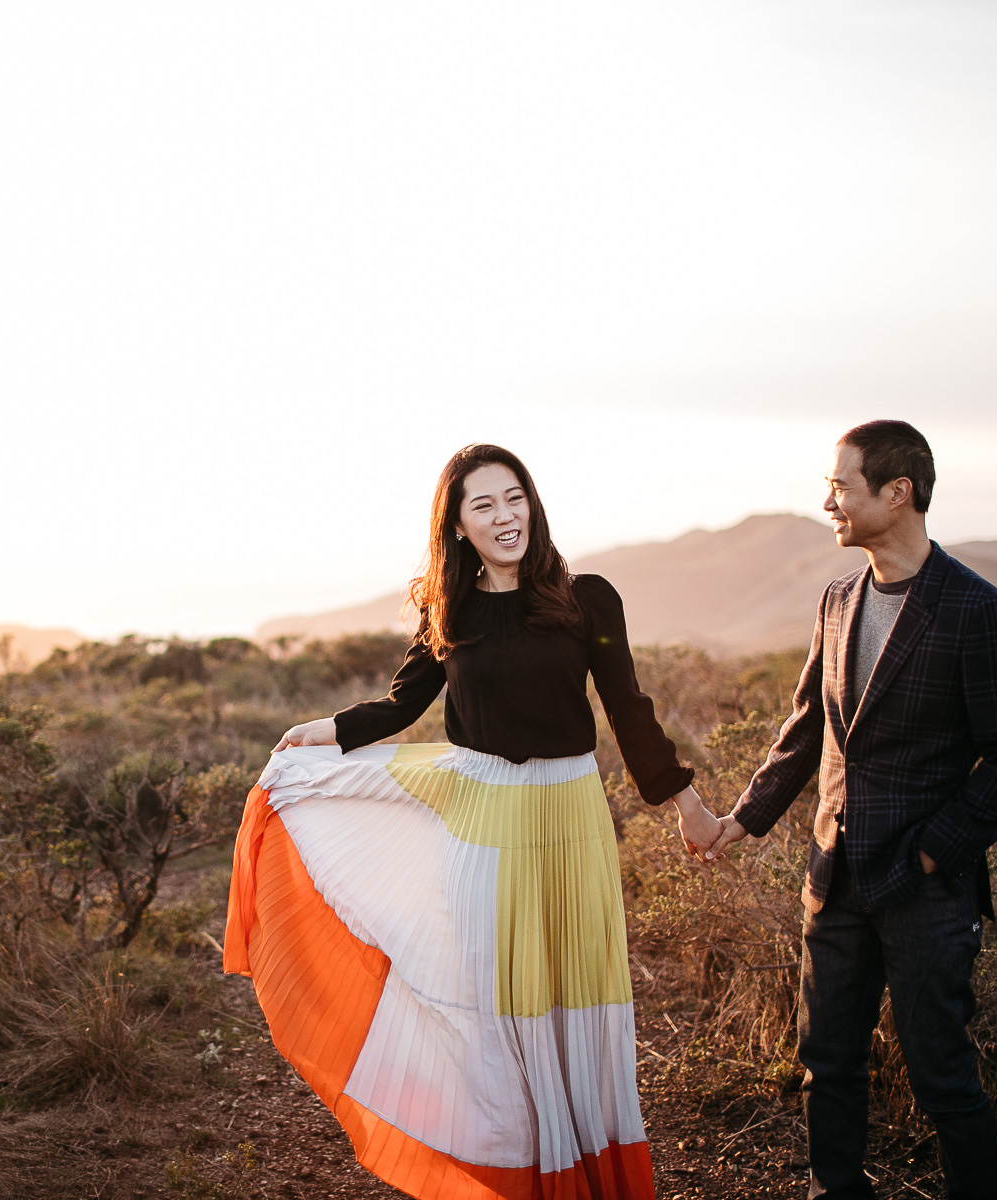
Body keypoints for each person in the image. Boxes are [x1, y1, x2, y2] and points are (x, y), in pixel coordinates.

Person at [223, 443, 721, 1200]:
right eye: (483, 505)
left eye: (513, 497)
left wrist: (685, 801)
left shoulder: (589, 597)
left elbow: (628, 709)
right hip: (485, 820)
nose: (504, 516)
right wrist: (328, 730)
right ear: (457, 525)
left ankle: (589, 1166)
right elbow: (400, 704)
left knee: (576, 998)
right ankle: (517, 1170)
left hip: (572, 819)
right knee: (500, 1003)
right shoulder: (446, 606)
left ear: (533, 503)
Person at [706, 420, 997, 1200]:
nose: (827, 500)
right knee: (827, 1063)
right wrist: (744, 818)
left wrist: (932, 853)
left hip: (927, 888)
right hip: (835, 877)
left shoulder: (976, 610)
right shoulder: (837, 598)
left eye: (841, 486)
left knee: (941, 1076)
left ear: (898, 494)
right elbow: (805, 729)